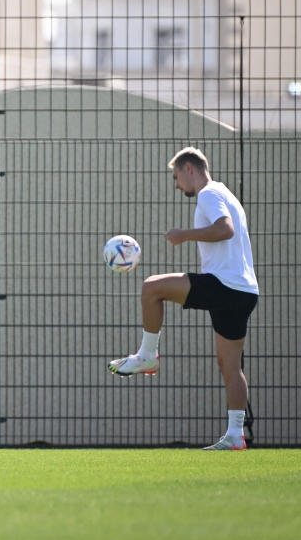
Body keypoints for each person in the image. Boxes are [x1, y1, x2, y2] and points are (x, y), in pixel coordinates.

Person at [108, 147, 259, 451]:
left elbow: (225, 229)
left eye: (176, 177)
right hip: (244, 292)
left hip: (224, 285)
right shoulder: (226, 194)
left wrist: (184, 234)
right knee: (229, 366)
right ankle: (234, 436)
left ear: (189, 169)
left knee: (151, 288)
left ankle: (148, 356)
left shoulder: (208, 193)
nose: (176, 185)